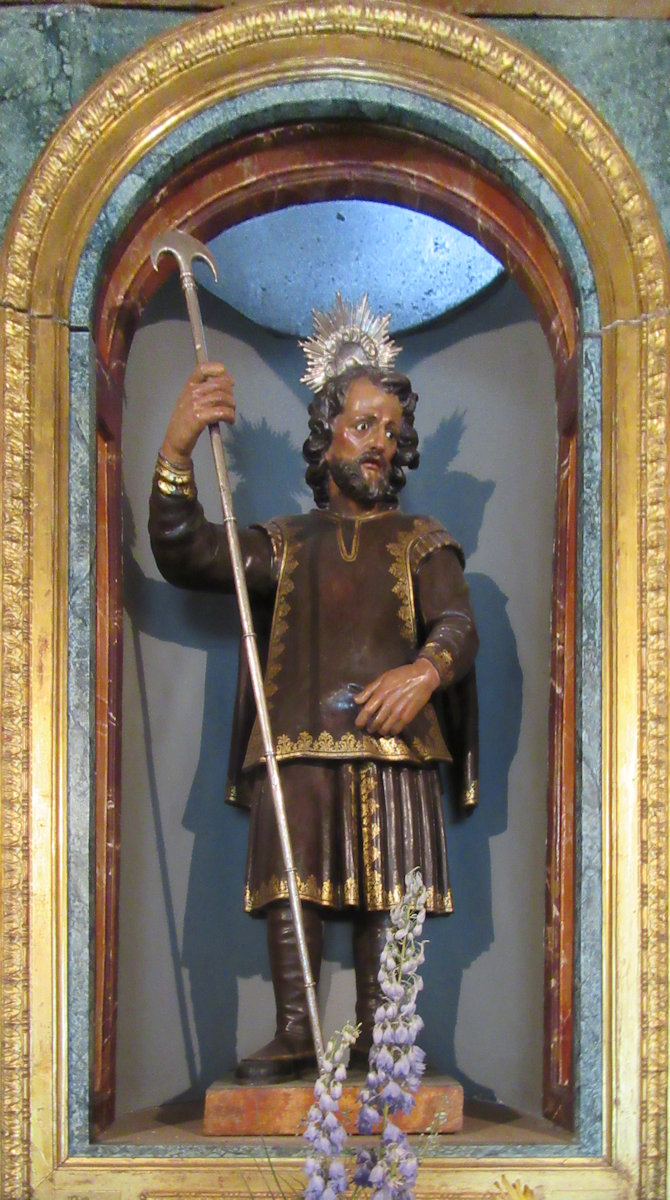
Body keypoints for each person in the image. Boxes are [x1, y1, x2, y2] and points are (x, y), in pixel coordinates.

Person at [149, 296, 479, 1082]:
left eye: (392, 434)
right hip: (295, 736)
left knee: (386, 888)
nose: (380, 447)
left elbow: (459, 625)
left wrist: (424, 672)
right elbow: (189, 554)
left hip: (395, 743)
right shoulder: (284, 543)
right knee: (290, 883)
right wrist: (177, 443)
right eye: (364, 425)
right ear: (325, 428)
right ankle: (296, 1027)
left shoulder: (422, 538)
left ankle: (381, 1031)